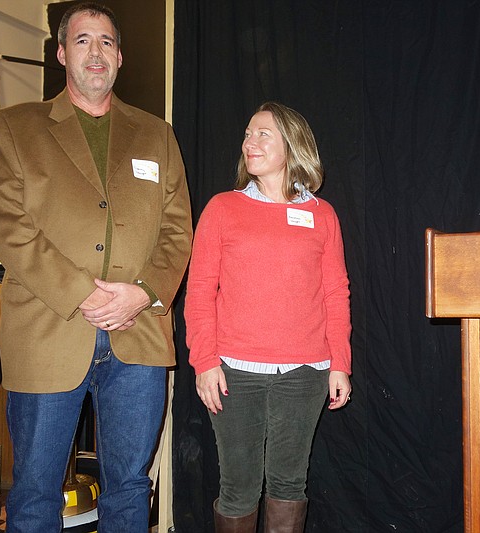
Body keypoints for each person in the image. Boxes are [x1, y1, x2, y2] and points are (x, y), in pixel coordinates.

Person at [0, 3, 192, 531]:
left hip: (138, 333)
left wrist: (142, 293)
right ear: (61, 54)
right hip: (50, 330)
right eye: (82, 41)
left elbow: (177, 231)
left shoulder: (157, 135)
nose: (95, 52)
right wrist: (84, 293)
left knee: (129, 487)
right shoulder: (13, 127)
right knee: (34, 492)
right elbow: (6, 226)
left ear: (120, 56)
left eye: (105, 42)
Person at [185, 102, 352, 532]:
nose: (249, 142)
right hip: (234, 372)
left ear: (292, 145)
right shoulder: (222, 209)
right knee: (238, 485)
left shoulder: (322, 215)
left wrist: (340, 364)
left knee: (289, 484)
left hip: (304, 373)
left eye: (263, 134)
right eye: (247, 133)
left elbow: (336, 293)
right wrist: (204, 361)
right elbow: (200, 290)